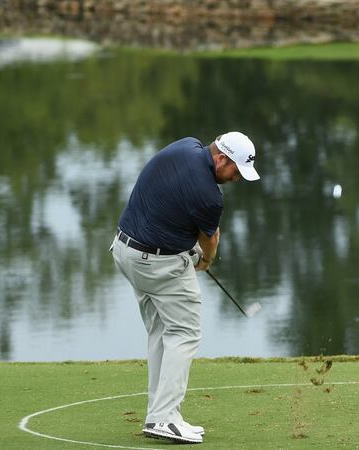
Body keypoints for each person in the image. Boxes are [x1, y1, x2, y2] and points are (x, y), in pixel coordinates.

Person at [110, 132, 260, 444]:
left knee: (161, 330)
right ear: (221, 158)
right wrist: (205, 260)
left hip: (125, 250)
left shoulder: (185, 146)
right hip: (155, 262)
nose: (237, 179)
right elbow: (210, 241)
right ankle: (165, 418)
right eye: (236, 171)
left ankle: (159, 414)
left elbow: (171, 200)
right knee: (185, 332)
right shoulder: (210, 196)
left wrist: (185, 246)